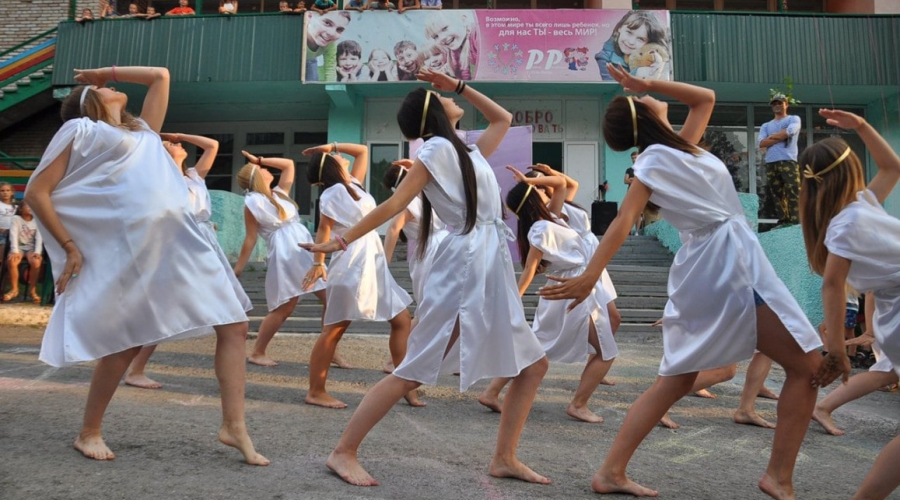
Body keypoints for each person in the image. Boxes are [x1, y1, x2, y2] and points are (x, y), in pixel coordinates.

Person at [539, 64, 822, 498]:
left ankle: (612, 471)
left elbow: (704, 97)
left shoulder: (678, 147)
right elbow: (623, 221)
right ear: (644, 114)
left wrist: (645, 86)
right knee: (807, 367)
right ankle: (779, 478)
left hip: (717, 262)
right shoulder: (653, 160)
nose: (653, 95)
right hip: (727, 264)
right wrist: (590, 274)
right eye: (646, 99)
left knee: (679, 378)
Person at [301, 70, 550, 486]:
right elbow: (393, 204)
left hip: (487, 262)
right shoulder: (434, 150)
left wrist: (457, 85)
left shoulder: (464, 148)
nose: (451, 98)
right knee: (415, 367)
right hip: (465, 264)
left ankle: (504, 457)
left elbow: (502, 118)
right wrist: (339, 241)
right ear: (433, 113)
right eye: (442, 95)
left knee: (533, 365)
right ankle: (342, 452)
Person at [24, 66, 267, 465]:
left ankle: (234, 426)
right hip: (135, 250)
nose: (112, 87)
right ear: (89, 104)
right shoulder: (81, 129)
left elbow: (160, 77)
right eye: (102, 88)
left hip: (182, 243)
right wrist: (70, 246)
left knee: (235, 324)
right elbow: (37, 191)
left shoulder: (144, 135)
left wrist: (105, 71)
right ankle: (89, 431)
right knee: (127, 340)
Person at [798, 109, 900, 500]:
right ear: (849, 170)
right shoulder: (849, 221)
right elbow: (833, 284)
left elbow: (892, 166)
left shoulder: (862, 205)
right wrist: (837, 349)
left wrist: (860, 126)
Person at [478, 167, 617, 423]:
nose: (546, 190)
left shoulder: (553, 216)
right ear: (533, 199)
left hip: (576, 285)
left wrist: (531, 178)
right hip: (569, 289)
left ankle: (491, 391)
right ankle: (578, 404)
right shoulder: (540, 228)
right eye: (539, 190)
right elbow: (530, 269)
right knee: (605, 350)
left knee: (539, 346)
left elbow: (562, 183)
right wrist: (514, 298)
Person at [124, 132, 254, 390]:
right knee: (162, 310)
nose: (178, 144)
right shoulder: (159, 179)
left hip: (203, 240)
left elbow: (213, 145)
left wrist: (177, 135)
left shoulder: (193, 175)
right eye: (171, 144)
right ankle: (133, 368)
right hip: (180, 244)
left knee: (225, 314)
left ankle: (134, 368)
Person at [301, 142, 415, 409]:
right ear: (330, 166)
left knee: (401, 319)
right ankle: (315, 390)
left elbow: (362, 151)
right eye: (337, 156)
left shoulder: (353, 183)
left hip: (371, 260)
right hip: (352, 261)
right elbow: (323, 229)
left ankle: (405, 385)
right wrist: (318, 262)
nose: (342, 156)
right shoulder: (332, 193)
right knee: (334, 330)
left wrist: (331, 146)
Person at [232, 152, 326, 367]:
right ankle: (258, 351)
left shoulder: (279, 193)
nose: (267, 170)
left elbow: (288, 165)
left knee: (330, 299)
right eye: (263, 169)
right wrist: (238, 269)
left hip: (303, 246)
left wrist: (260, 160)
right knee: (286, 305)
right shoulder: (252, 202)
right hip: (285, 252)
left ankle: (329, 346)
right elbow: (250, 238)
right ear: (256, 176)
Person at [812, 292, 899, 436]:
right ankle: (823, 407)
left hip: (891, 321)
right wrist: (870, 332)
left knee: (887, 374)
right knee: (887, 373)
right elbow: (872, 291)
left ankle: (823, 407)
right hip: (893, 322)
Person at [757, 92, 802, 226]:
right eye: (774, 104)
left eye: (780, 103)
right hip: (771, 162)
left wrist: (770, 138)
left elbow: (789, 132)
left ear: (786, 104)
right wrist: (779, 136)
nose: (777, 106)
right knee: (777, 193)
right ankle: (784, 220)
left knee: (793, 189)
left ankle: (796, 220)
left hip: (788, 160)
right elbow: (761, 143)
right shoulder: (766, 125)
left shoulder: (793, 119)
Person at [594, 11, 669, 81]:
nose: (631, 42)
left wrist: (659, 67)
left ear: (649, 43)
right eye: (629, 33)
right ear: (619, 28)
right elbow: (610, 86)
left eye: (640, 39)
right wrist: (636, 73)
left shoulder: (652, 56)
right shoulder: (604, 57)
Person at [4, 204, 43, 304]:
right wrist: (15, 251)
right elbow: (13, 235)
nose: (30, 208)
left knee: (36, 262)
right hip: (18, 247)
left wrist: (37, 252)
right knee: (12, 261)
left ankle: (32, 291)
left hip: (31, 248)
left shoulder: (38, 220)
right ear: (21, 208)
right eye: (27, 206)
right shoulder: (16, 219)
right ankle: (14, 290)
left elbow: (39, 237)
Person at [425, 12, 478, 80]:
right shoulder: (454, 51)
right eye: (435, 37)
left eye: (445, 28)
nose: (441, 38)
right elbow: (463, 76)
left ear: (463, 20)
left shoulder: (477, 34)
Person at [304, 11, 351, 82]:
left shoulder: (330, 45)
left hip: (310, 59)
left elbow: (330, 68)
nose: (331, 33)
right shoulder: (299, 35)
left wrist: (332, 89)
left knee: (313, 84)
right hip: (292, 61)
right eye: (327, 23)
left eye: (339, 29)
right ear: (309, 17)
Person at [0, 182, 16, 253]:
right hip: (2, 233)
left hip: (14, 233)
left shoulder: (16, 206)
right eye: (2, 191)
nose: (5, 193)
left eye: (7, 190)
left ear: (12, 192)